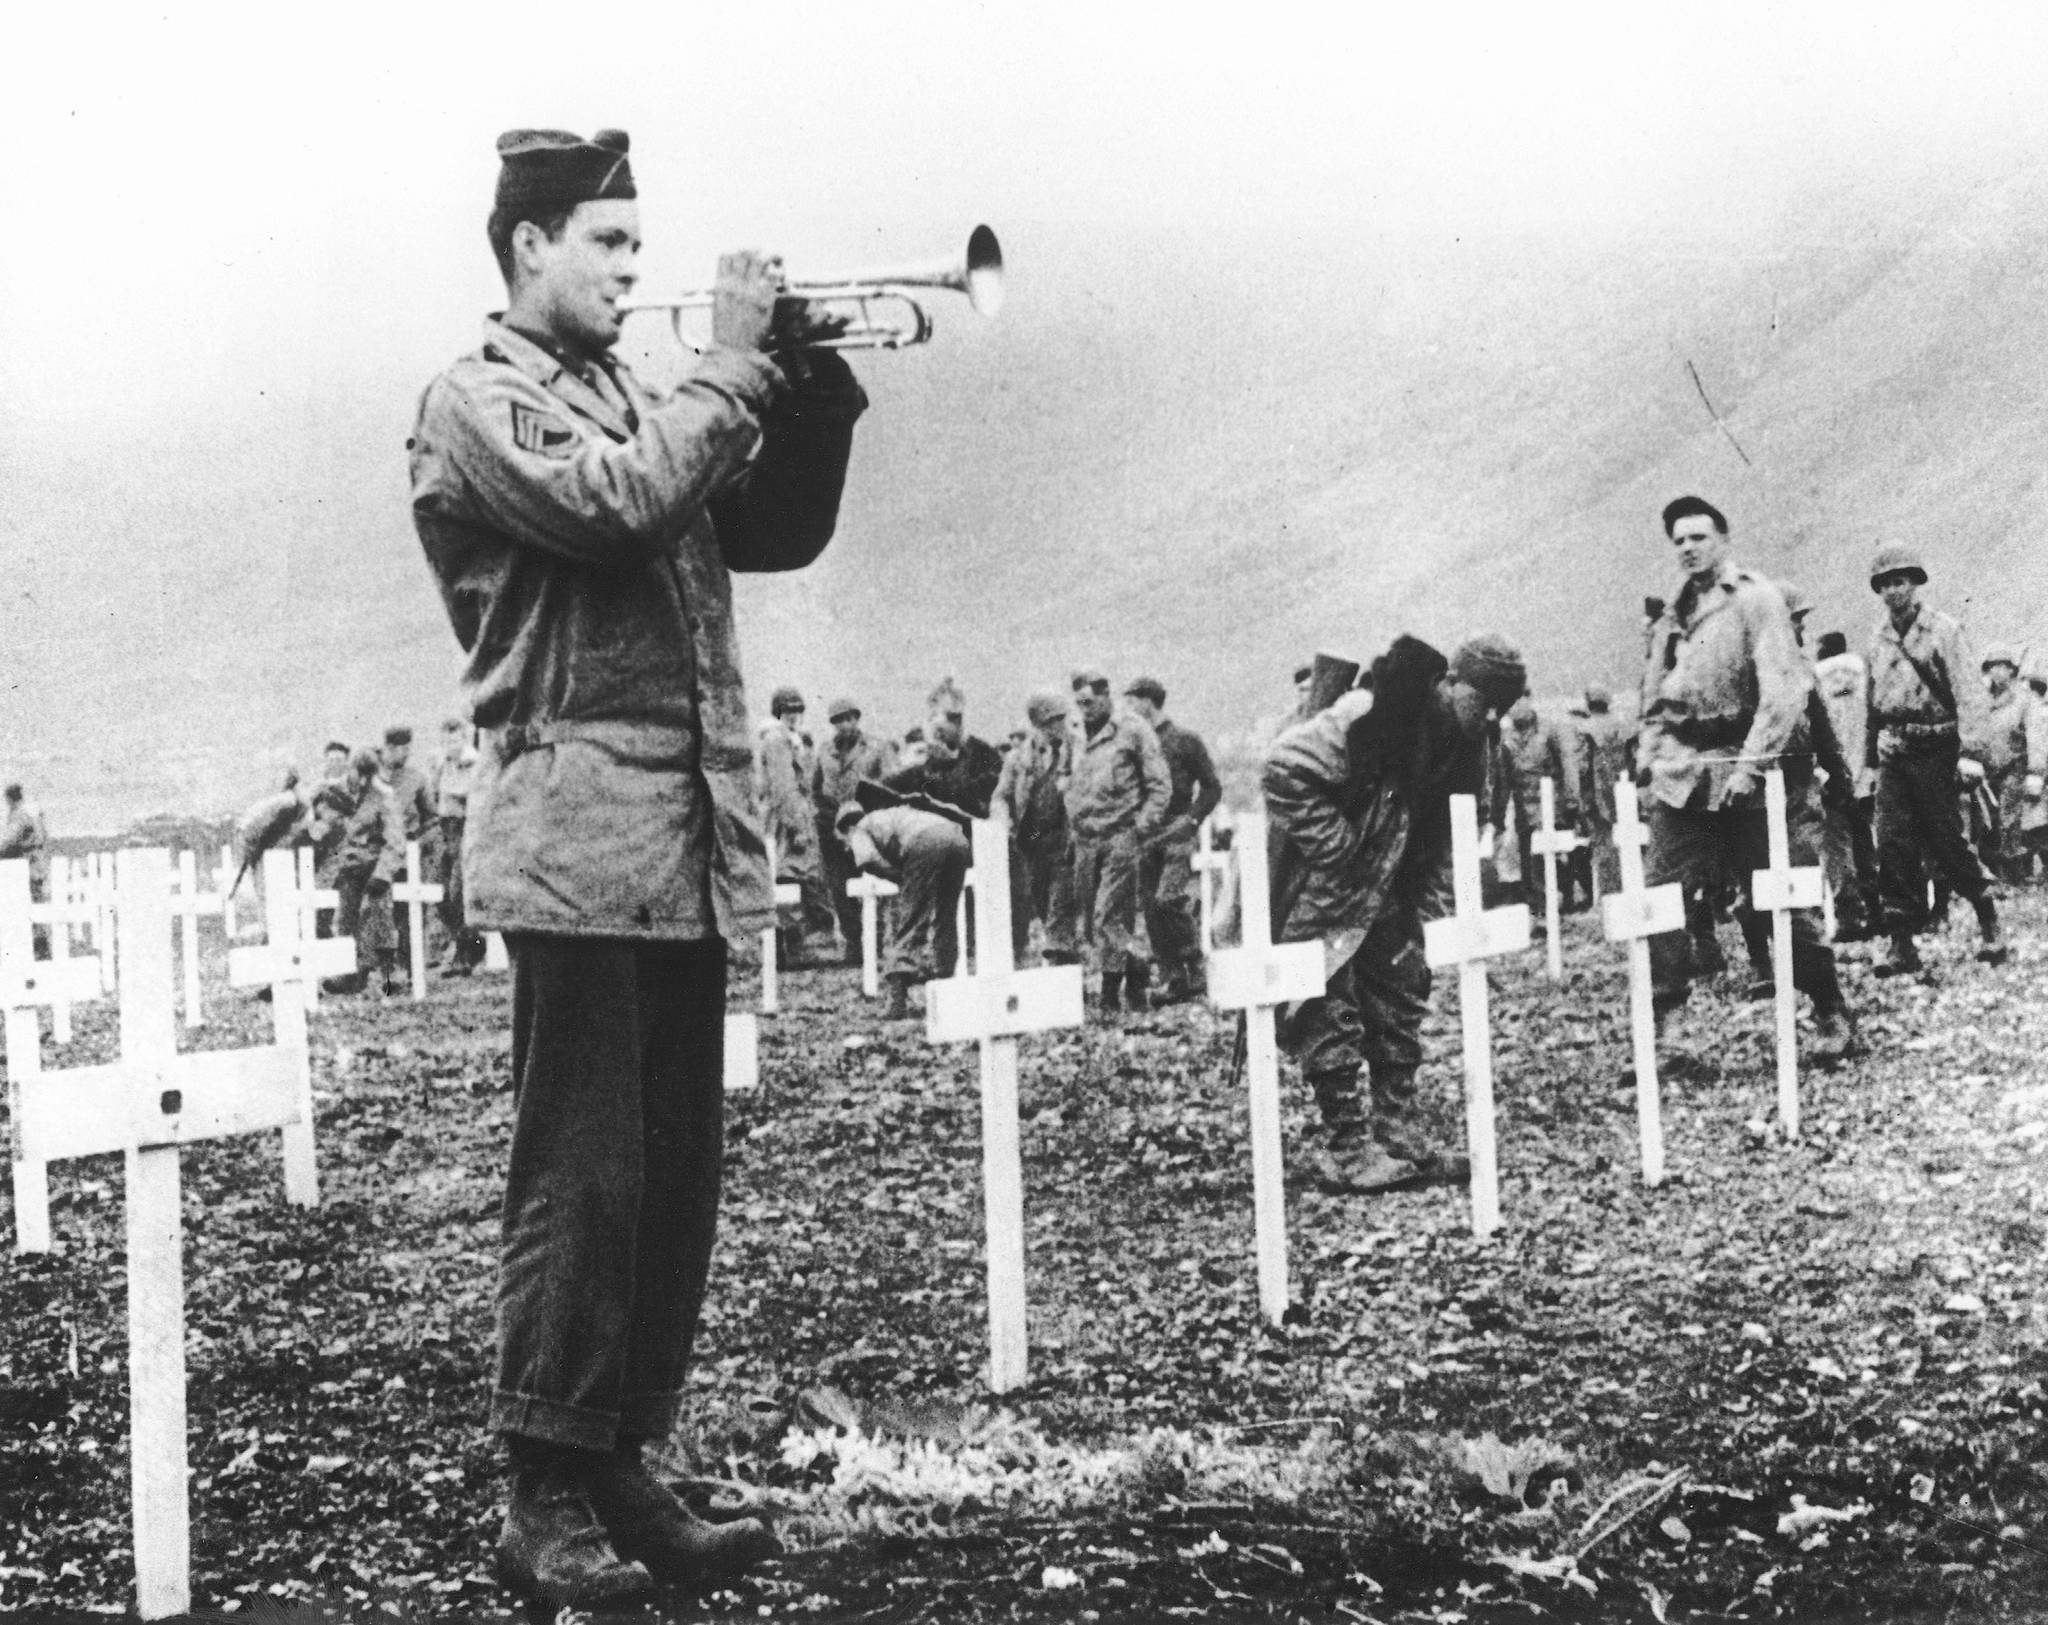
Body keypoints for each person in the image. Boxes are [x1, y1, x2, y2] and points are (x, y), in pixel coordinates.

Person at [408, 127, 863, 1609]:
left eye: (634, 244)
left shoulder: (626, 397)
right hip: (575, 833)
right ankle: (540, 1482)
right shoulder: (480, 405)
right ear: (527, 244)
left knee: (672, 1180)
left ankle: (619, 1458)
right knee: (584, 1175)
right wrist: (729, 369)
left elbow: (770, 530)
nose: (629, 269)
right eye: (606, 243)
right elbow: (615, 509)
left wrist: (808, 387)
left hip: (677, 843)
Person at [1265, 633, 1525, 1193]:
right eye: (1483, 702)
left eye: (1499, 708)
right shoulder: (1372, 711)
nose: (1489, 717)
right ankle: (1348, 1148)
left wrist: (1427, 919)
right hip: (1327, 891)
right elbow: (1283, 768)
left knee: (1402, 997)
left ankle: (1397, 1133)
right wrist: (1339, 848)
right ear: (1452, 682)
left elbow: (1455, 831)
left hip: (1393, 890)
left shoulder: (1470, 740)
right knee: (1326, 1005)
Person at [1635, 497, 1855, 1059]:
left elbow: (1782, 688)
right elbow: (1654, 699)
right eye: (1678, 539)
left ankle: (1830, 1008)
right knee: (1662, 896)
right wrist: (1655, 757)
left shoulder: (1755, 601)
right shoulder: (1671, 616)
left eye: (1699, 537)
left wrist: (1751, 765)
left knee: (1777, 895)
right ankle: (1668, 1026)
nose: (1688, 547)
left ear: (1723, 540)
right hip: (1685, 773)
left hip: (1748, 769)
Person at [1863, 542, 2004, 974]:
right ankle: (1901, 942)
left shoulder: (1943, 630)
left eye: (1900, 581)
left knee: (1946, 840)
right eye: (1885, 583)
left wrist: (1971, 755)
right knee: (1891, 843)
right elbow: (1872, 706)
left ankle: (1990, 922)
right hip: (1894, 752)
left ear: (1916, 583)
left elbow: (1969, 693)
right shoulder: (1878, 638)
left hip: (1939, 750)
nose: (1893, 591)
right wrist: (1868, 761)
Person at [1063, 668, 1170, 1013]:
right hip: (1085, 838)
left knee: (1105, 916)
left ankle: (1116, 986)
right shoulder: (1074, 734)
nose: (1086, 708)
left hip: (1121, 834)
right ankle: (1132, 972)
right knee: (1094, 924)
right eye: (1079, 702)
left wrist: (1141, 827)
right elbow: (1066, 771)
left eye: (1091, 701)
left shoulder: (1133, 730)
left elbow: (1159, 784)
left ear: (1107, 696)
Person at [1121, 676, 1221, 1003]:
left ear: (1148, 701)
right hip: (1147, 834)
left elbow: (1211, 787)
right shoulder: (1135, 744)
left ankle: (1195, 964)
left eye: (1133, 700)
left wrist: (1191, 821)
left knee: (1168, 899)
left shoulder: (1185, 741)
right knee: (1151, 909)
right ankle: (1173, 978)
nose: (1129, 708)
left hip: (1178, 830)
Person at [838, 801, 970, 1016]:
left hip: (925, 843)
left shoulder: (859, 829)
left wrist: (901, 877)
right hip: (957, 839)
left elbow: (868, 859)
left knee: (909, 920)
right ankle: (946, 983)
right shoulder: (889, 815)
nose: (847, 847)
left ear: (846, 829)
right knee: (946, 916)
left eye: (844, 842)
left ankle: (897, 1001)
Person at [992, 691, 1078, 964]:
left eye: (1062, 719)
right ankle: (1066, 959)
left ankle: (1059, 953)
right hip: (1032, 839)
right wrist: (1002, 819)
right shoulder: (1018, 759)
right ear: (1038, 725)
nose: (1060, 727)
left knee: (1059, 904)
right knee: (1041, 901)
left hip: (1064, 837)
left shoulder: (1076, 751)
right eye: (1053, 721)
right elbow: (1000, 797)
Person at [756, 687, 839, 965]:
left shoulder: (794, 740)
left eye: (797, 711)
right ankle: (793, 948)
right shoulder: (776, 740)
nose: (793, 716)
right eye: (787, 711)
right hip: (786, 823)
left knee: (799, 881)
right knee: (790, 879)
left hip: (799, 817)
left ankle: (794, 947)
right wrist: (798, 828)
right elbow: (783, 788)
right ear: (778, 713)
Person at [319, 749, 407, 996]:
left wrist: (383, 873)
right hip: (351, 867)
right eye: (358, 773)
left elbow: (396, 840)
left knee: (379, 921)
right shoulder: (345, 793)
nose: (363, 780)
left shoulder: (385, 796)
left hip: (375, 868)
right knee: (346, 921)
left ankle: (389, 977)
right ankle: (350, 975)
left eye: (367, 775)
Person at [813, 697, 895, 960]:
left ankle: (877, 940)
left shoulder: (876, 748)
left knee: (873, 880)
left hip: (867, 825)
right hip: (833, 830)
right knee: (839, 887)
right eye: (839, 720)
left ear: (857, 719)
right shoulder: (825, 751)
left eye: (850, 718)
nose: (845, 725)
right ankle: (854, 942)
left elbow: (891, 786)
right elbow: (815, 788)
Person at [1812, 630, 1880, 940]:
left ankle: (1850, 916)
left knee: (1836, 848)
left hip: (1832, 778)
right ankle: (1877, 910)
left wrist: (1822, 775)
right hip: (1863, 773)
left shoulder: (1815, 681)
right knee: (1866, 841)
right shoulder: (1863, 676)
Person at [1500, 695, 1580, 919]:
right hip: (1524, 809)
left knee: (1556, 856)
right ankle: (1540, 909)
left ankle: (1564, 900)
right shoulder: (1507, 737)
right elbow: (1504, 777)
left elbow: (1567, 764)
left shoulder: (1549, 731)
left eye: (1519, 702)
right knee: (1530, 863)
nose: (1516, 708)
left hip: (1552, 805)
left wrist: (1572, 800)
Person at [881, 678, 1002, 819]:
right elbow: (888, 788)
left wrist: (936, 770)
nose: (936, 736)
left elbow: (975, 799)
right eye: (931, 720)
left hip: (972, 827)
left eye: (939, 729)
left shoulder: (983, 754)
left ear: (958, 720)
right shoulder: (927, 760)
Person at [1569, 683, 1633, 899]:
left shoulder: (1584, 729)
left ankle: (1609, 893)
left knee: (1604, 846)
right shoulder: (1621, 725)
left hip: (1596, 795)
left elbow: (1581, 766)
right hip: (1623, 789)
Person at [432, 718, 485, 973]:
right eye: (446, 742)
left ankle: (467, 949)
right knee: (439, 893)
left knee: (458, 892)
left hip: (466, 826)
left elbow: (472, 793)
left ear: (464, 739)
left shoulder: (472, 763)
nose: (450, 746)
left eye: (454, 741)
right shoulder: (444, 764)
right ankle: (463, 943)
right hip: (446, 828)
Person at [1981, 645, 2032, 883]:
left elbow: (2033, 734)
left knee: (2009, 820)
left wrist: (2035, 771)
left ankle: (2013, 873)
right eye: (1993, 667)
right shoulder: (1982, 700)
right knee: (1988, 821)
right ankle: (1994, 871)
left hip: (2014, 765)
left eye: (2004, 667)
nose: (1998, 672)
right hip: (1987, 769)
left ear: (2012, 671)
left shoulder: (2023, 700)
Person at [0, 784, 50, 955]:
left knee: (29, 903)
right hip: (37, 860)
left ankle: (38, 946)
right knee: (36, 902)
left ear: (10, 798)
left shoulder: (20, 814)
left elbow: (9, 841)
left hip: (27, 863)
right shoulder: (31, 811)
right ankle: (40, 944)